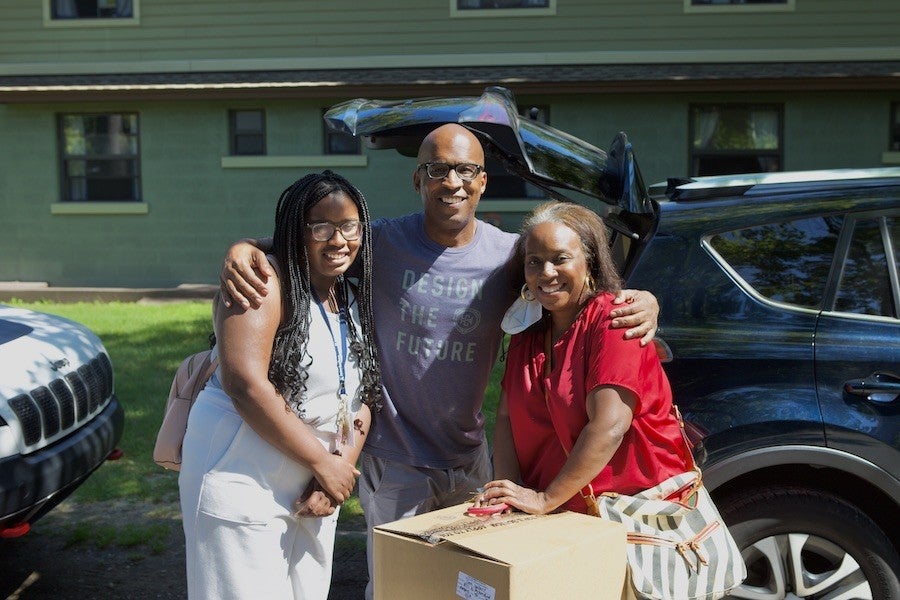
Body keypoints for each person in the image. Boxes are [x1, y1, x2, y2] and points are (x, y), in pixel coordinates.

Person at [218, 124, 660, 599]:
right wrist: (244, 248)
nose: (453, 181)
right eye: (438, 169)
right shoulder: (381, 242)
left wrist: (647, 300)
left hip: (469, 458)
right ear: (418, 180)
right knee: (400, 587)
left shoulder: (510, 256)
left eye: (466, 169)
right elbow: (311, 243)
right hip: (397, 460)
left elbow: (569, 283)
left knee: (471, 587)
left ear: (483, 181)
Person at [178, 171, 382, 600]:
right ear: (296, 230)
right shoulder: (261, 282)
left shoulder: (348, 294)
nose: (338, 239)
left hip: (314, 475)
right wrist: (326, 466)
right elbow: (245, 384)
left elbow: (362, 393)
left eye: (348, 226)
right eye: (320, 226)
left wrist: (336, 470)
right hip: (241, 469)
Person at [477, 201, 691, 519]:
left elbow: (610, 425)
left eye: (560, 259)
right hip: (557, 515)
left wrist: (545, 499)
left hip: (629, 513)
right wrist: (506, 492)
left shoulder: (615, 319)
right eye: (534, 262)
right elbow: (507, 418)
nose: (546, 273)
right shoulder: (528, 331)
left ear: (588, 260)